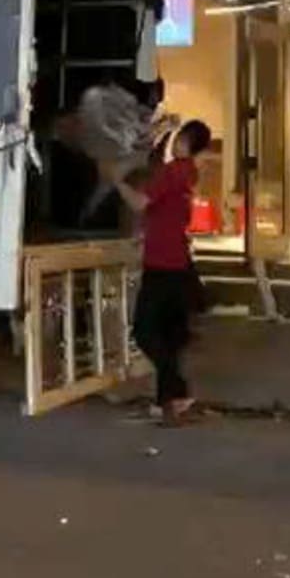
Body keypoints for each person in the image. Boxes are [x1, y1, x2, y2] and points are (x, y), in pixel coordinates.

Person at [110, 119, 212, 425]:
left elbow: (141, 203)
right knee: (168, 336)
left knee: (144, 332)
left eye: (179, 138)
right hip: (177, 261)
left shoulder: (172, 172)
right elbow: (163, 211)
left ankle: (175, 393)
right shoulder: (189, 173)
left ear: (186, 143)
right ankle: (169, 398)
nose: (174, 142)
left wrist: (118, 183)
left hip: (162, 264)